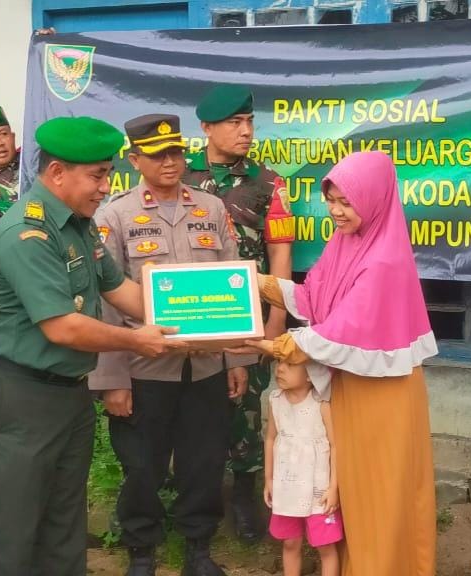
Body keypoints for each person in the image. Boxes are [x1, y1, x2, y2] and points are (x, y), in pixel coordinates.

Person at [0, 115, 188, 575]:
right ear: (57, 174)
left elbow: (123, 292)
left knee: (64, 524)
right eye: (97, 176)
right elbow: (62, 327)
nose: (105, 186)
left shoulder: (78, 225)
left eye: (107, 174)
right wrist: (136, 341)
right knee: (12, 524)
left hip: (68, 393)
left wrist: (198, 314)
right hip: (20, 396)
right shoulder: (27, 232)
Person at [232, 151, 438, 576]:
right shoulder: (345, 243)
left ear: (375, 199)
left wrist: (266, 345)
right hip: (349, 388)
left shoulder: (384, 261)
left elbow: (337, 333)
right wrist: (255, 283)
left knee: (379, 490)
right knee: (349, 490)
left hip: (384, 398)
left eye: (347, 201)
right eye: (331, 200)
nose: (336, 211)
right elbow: (313, 299)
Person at [90, 113, 256, 576]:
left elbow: (232, 288)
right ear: (135, 159)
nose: (170, 162)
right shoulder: (114, 215)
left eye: (177, 152)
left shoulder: (211, 207)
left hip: (204, 367)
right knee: (141, 467)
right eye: (158, 154)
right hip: (143, 370)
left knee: (203, 462)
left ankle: (198, 551)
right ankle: (141, 551)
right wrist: (111, 378)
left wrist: (237, 359)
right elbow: (105, 301)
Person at [182, 84, 295, 540]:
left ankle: (245, 496)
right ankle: (197, 496)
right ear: (207, 128)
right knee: (195, 405)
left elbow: (280, 252)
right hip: (192, 312)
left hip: (248, 313)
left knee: (245, 408)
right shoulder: (181, 178)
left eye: (249, 122)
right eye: (234, 123)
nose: (245, 131)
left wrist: (276, 318)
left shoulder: (270, 183)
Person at [264, 361, 342, 576]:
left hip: (319, 489)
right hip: (286, 486)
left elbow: (335, 446)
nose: (279, 368)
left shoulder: (321, 403)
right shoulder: (275, 400)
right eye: (279, 362)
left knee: (325, 545)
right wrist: (269, 479)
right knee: (290, 542)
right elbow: (270, 438)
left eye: (289, 364)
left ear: (311, 375)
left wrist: (333, 488)